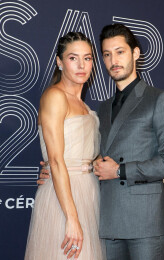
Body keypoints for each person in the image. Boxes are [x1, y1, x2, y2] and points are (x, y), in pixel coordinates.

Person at [39, 24, 164, 260]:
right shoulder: (102, 108)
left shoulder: (160, 99)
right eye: (106, 54)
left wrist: (119, 170)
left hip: (144, 225)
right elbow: (91, 155)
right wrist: (57, 166)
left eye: (120, 52)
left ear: (135, 54)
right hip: (105, 223)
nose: (113, 60)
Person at [25, 32, 105, 259]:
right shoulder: (54, 96)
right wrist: (71, 217)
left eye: (87, 58)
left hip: (88, 193)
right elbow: (57, 160)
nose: (82, 65)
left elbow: (86, 154)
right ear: (59, 62)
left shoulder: (83, 105)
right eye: (73, 58)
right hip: (64, 199)